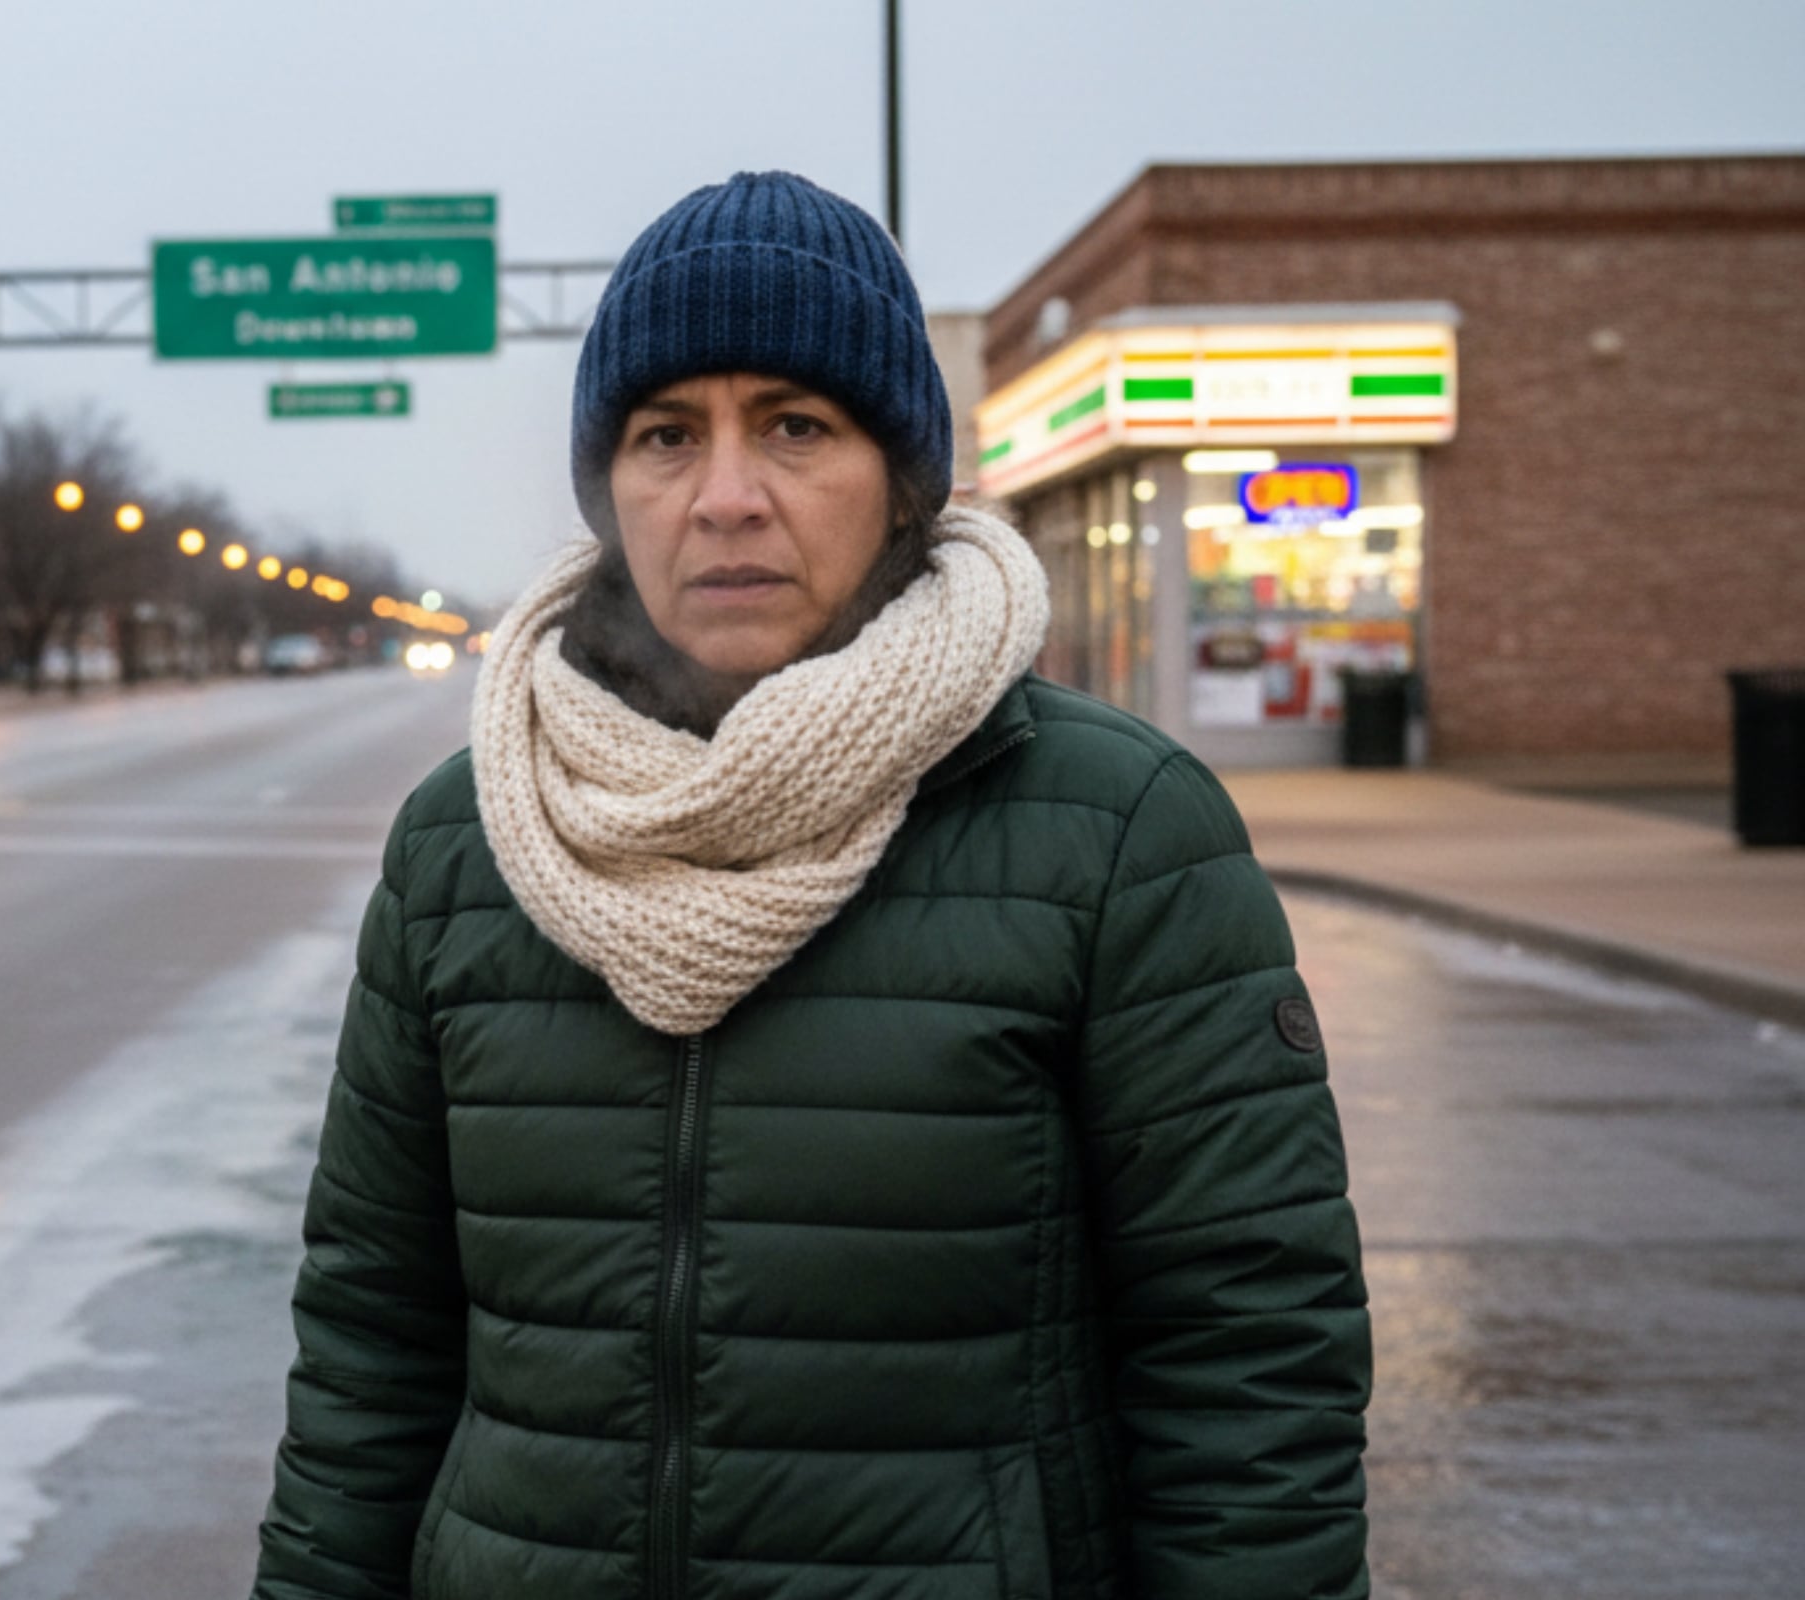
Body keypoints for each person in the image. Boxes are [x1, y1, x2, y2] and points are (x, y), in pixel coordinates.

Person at [253, 171, 1371, 1600]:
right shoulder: (469, 844)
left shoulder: (1116, 832)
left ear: (904, 479)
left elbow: (1249, 1374)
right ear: (610, 490)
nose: (725, 498)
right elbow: (370, 1349)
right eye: (667, 437)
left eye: (795, 425)